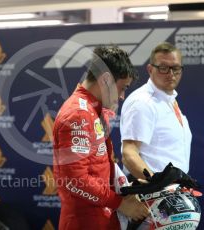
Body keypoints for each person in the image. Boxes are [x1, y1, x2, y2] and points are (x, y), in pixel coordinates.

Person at [53, 45, 149, 230]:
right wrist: (120, 203)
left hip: (102, 216)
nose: (122, 96)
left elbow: (101, 168)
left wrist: (127, 189)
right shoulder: (77, 114)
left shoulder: (93, 110)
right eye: (122, 88)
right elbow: (75, 180)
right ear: (105, 80)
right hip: (84, 222)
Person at [120, 41, 192, 180]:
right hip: (151, 193)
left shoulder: (169, 99)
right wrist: (155, 185)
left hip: (171, 191)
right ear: (150, 69)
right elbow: (129, 153)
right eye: (163, 68)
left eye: (176, 68)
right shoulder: (143, 102)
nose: (171, 74)